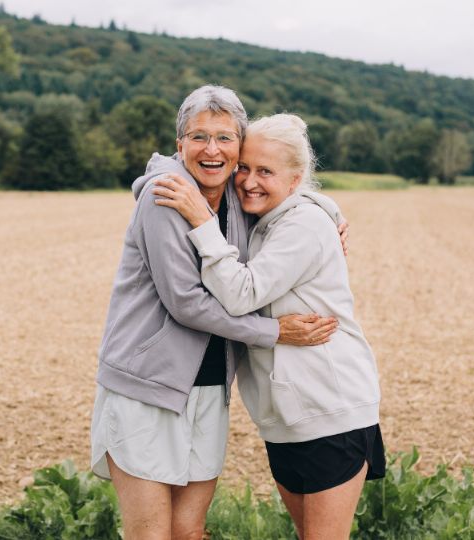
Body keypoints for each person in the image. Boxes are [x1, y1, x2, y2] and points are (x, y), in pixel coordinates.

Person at [90, 86, 349, 540]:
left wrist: (329, 212)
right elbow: (186, 303)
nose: (212, 150)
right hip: (147, 387)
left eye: (225, 138)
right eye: (199, 137)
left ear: (239, 146)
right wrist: (272, 332)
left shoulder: (233, 192)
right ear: (180, 145)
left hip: (209, 387)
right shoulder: (165, 196)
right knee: (151, 534)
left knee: (190, 531)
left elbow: (283, 186)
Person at [153, 113, 384, 540]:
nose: (248, 180)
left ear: (295, 181)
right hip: (284, 418)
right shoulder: (262, 221)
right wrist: (331, 207)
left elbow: (242, 294)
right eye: (244, 167)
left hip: (330, 411)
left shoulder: (304, 225)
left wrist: (203, 224)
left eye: (265, 171)